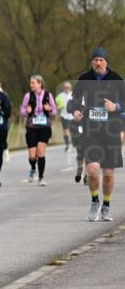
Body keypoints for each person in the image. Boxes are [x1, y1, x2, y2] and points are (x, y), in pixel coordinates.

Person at [71, 47, 124, 221]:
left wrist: (115, 107)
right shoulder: (84, 79)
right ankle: (95, 201)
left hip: (111, 131)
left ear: (106, 62)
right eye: (95, 60)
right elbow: (75, 100)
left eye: (101, 60)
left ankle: (106, 206)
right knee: (92, 169)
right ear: (92, 62)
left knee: (108, 173)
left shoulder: (117, 79)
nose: (98, 63)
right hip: (91, 131)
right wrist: (76, 111)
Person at [19, 75, 56, 187]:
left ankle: (41, 177)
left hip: (44, 127)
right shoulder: (28, 96)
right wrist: (26, 110)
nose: (31, 85)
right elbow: (22, 111)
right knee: (32, 156)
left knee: (41, 152)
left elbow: (54, 111)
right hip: (31, 127)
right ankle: (32, 167)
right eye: (31, 83)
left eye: (33, 83)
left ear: (40, 83)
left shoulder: (48, 95)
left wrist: (49, 109)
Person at [56, 81, 74, 153]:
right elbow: (56, 105)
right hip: (64, 115)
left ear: (70, 88)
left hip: (72, 116)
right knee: (66, 131)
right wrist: (59, 107)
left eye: (68, 87)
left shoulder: (73, 95)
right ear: (63, 88)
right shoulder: (60, 96)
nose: (67, 89)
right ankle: (67, 145)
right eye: (65, 87)